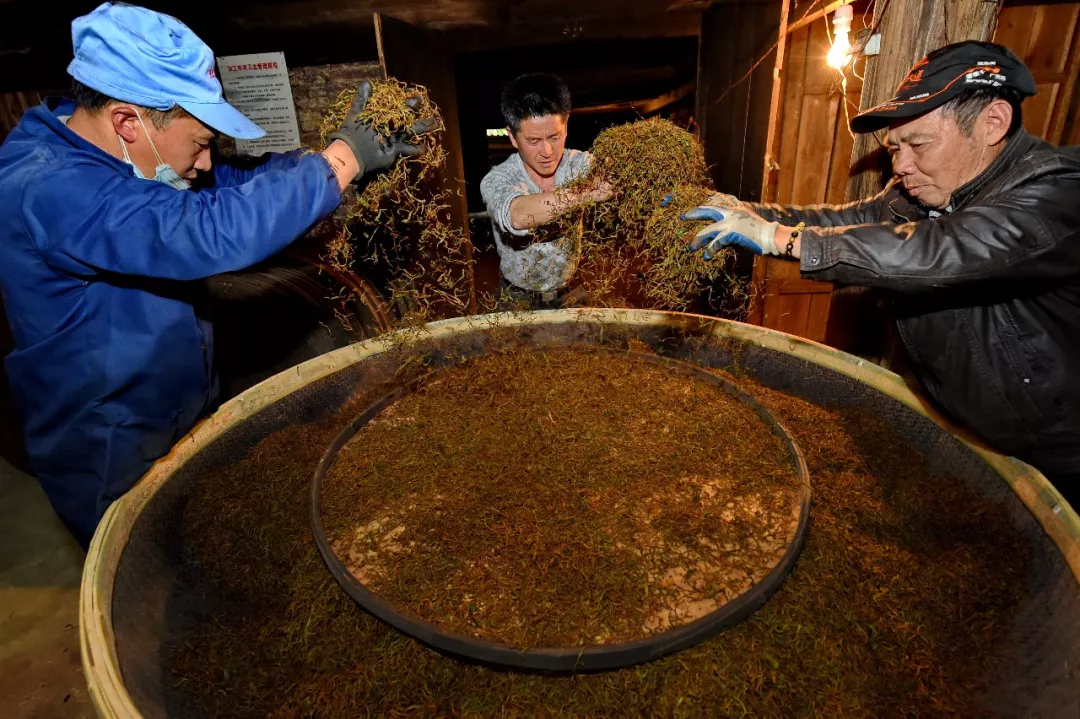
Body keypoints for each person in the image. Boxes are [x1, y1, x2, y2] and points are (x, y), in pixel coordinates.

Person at [0, 3, 432, 547]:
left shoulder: (128, 159)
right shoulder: (46, 187)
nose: (205, 162)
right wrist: (343, 161)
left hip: (180, 409)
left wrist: (326, 166)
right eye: (201, 143)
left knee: (212, 539)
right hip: (108, 444)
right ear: (128, 122)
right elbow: (206, 230)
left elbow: (226, 186)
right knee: (155, 580)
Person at [683, 41, 1080, 506]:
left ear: (993, 123)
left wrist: (778, 239)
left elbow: (947, 250)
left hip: (1056, 454)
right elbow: (836, 223)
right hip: (959, 428)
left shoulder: (1057, 191)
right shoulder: (923, 191)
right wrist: (742, 211)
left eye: (918, 144)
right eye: (894, 148)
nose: (901, 166)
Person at [480, 73, 612, 308]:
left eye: (554, 136)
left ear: (566, 125)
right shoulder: (498, 178)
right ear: (512, 136)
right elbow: (518, 215)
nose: (547, 152)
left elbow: (617, 173)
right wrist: (588, 193)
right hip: (517, 298)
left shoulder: (579, 166)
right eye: (533, 141)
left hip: (569, 291)